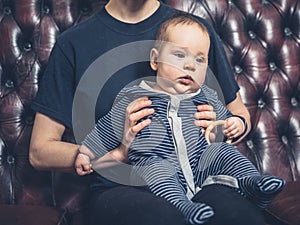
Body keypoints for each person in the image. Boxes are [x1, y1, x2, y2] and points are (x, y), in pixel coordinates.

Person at [29, 0, 263, 225]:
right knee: (162, 218)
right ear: (154, 59)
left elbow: (238, 113)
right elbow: (40, 152)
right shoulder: (73, 43)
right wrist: (118, 154)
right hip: (120, 187)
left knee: (238, 215)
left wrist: (222, 131)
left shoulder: (194, 31)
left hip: (198, 177)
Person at [75, 14, 285, 225]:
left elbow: (228, 119)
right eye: (179, 55)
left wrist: (235, 124)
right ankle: (185, 208)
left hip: (201, 167)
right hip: (158, 165)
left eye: (200, 59)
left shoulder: (207, 97)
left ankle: (252, 183)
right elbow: (105, 129)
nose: (190, 66)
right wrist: (86, 153)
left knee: (222, 151)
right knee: (155, 169)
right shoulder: (135, 98)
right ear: (155, 59)